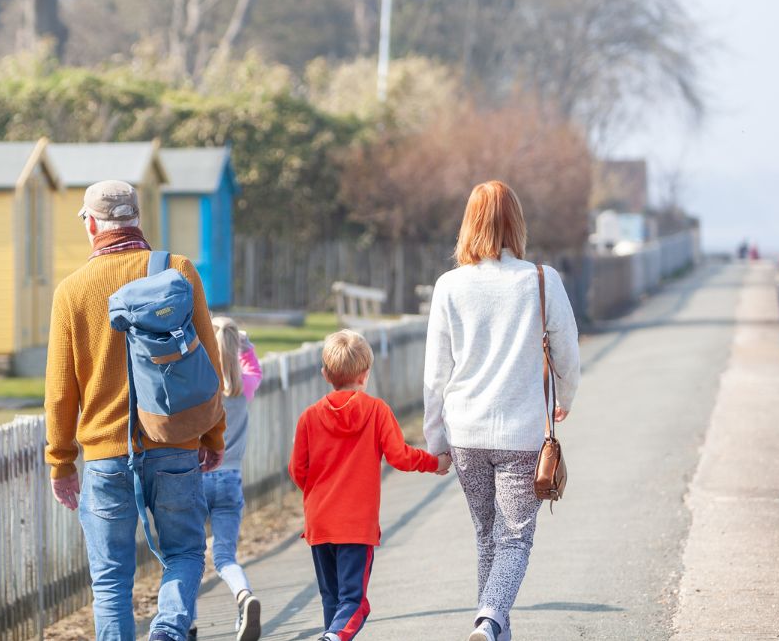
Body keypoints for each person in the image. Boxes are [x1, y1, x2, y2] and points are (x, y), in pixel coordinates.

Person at [45, 180, 227, 641]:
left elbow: (61, 391)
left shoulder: (71, 292)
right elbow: (209, 360)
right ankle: (167, 629)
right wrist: (212, 434)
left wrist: (61, 461)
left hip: (106, 458)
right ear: (136, 219)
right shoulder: (178, 270)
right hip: (174, 443)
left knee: (110, 582)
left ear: (91, 224)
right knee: (185, 554)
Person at [422, 181, 581, 641]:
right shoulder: (540, 280)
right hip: (521, 433)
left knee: (488, 536)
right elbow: (567, 353)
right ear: (517, 223)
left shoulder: (449, 286)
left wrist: (436, 441)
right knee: (514, 538)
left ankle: (491, 631)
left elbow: (436, 373)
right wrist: (565, 398)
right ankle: (489, 619)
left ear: (468, 224)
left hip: (466, 431)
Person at [290, 329, 446, 641]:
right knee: (355, 603)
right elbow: (400, 457)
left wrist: (319, 495)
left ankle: (331, 635)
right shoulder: (376, 411)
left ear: (325, 374)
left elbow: (297, 470)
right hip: (356, 526)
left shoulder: (309, 417)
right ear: (365, 374)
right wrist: (434, 462)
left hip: (319, 522)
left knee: (332, 600)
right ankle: (333, 637)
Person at [191, 318, 264, 641]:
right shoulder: (244, 386)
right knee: (223, 556)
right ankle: (244, 596)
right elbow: (253, 368)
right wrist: (244, 345)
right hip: (230, 479)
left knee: (187, 555)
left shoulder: (201, 389)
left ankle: (187, 623)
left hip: (197, 478)